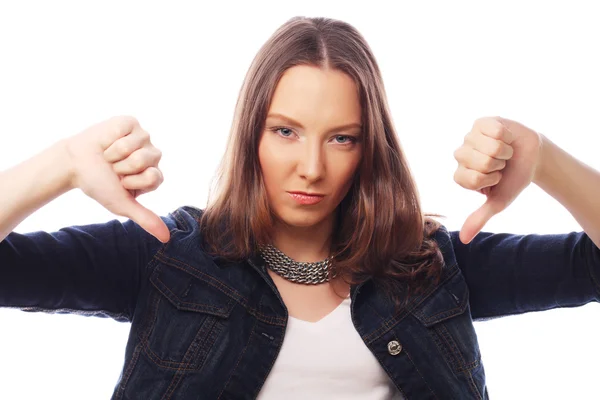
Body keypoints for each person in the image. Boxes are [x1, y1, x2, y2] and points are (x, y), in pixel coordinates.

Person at [1, 16, 599, 400]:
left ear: (370, 149)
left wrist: (544, 158)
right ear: (250, 136)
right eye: (285, 131)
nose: (311, 166)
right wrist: (63, 164)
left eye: (342, 137)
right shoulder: (165, 257)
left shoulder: (431, 268)